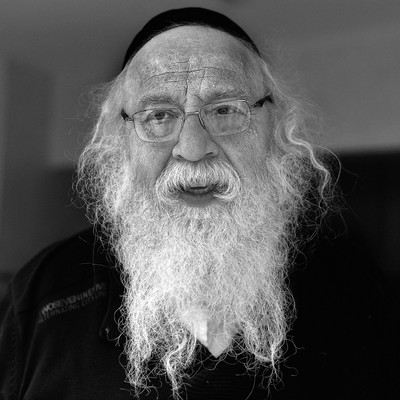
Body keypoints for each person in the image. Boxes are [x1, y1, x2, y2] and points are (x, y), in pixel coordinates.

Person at [0, 7, 390, 400]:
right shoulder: (40, 298)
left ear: (275, 128)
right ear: (121, 140)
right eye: (158, 115)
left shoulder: (361, 295)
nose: (192, 148)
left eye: (225, 110)